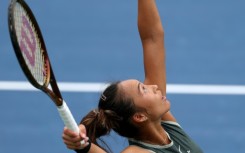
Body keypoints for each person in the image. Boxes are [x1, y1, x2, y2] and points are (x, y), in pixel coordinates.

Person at [62, 0, 203, 153]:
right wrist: (84, 146)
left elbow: (152, 38)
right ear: (140, 117)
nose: (154, 86)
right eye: (143, 89)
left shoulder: (161, 122)